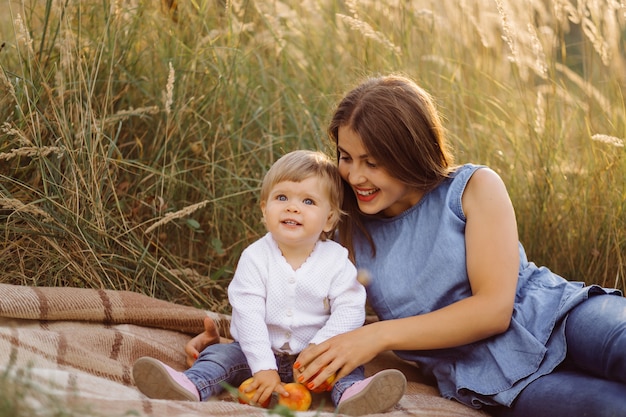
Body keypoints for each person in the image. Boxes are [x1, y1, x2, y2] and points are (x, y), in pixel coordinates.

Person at [291, 75, 626, 417]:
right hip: (483, 375)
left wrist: (377, 336)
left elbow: (493, 310)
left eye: (371, 163)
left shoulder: (472, 187)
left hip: (557, 316)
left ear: (409, 153)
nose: (355, 176)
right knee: (612, 408)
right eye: (346, 157)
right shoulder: (345, 231)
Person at [132, 150, 406, 416]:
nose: (292, 206)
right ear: (265, 210)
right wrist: (263, 366)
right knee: (220, 357)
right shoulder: (254, 258)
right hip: (256, 351)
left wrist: (318, 349)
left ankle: (353, 395)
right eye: (282, 197)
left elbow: (350, 309)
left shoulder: (337, 260)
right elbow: (248, 314)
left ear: (329, 219)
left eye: (308, 201)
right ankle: (189, 384)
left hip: (314, 357)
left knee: (346, 367)